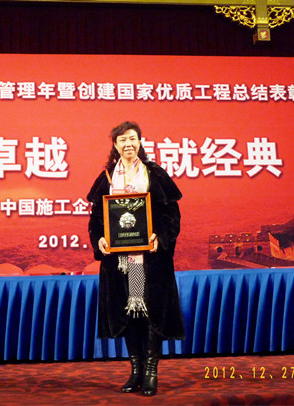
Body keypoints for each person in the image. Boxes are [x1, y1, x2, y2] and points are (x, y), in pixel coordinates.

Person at [87, 121, 185, 396]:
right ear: (115, 145)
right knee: (129, 314)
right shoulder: (107, 177)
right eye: (122, 140)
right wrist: (100, 239)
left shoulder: (154, 174)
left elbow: (172, 215)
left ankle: (151, 372)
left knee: (151, 312)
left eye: (132, 139)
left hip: (151, 260)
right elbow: (96, 218)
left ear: (140, 142)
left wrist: (160, 238)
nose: (128, 144)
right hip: (119, 262)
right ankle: (136, 370)